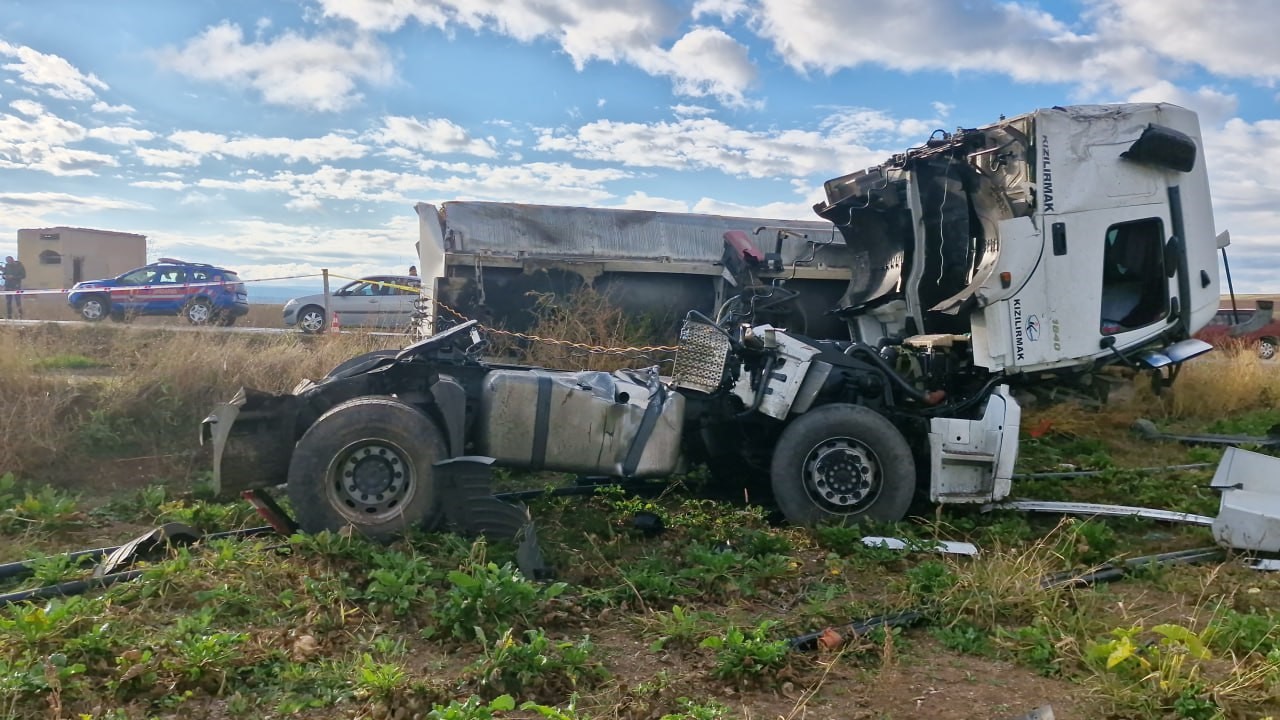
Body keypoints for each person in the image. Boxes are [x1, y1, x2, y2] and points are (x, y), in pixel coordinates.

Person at [2, 255, 25, 320]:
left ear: (12, 260)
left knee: (18, 302)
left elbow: (23, 275)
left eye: (9, 261)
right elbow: (4, 274)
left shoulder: (19, 266)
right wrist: (5, 276)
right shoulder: (7, 266)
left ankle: (21, 317)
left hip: (16, 286)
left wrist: (13, 277)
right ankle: (9, 317)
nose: (8, 262)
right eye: (7, 261)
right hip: (7, 287)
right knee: (8, 303)